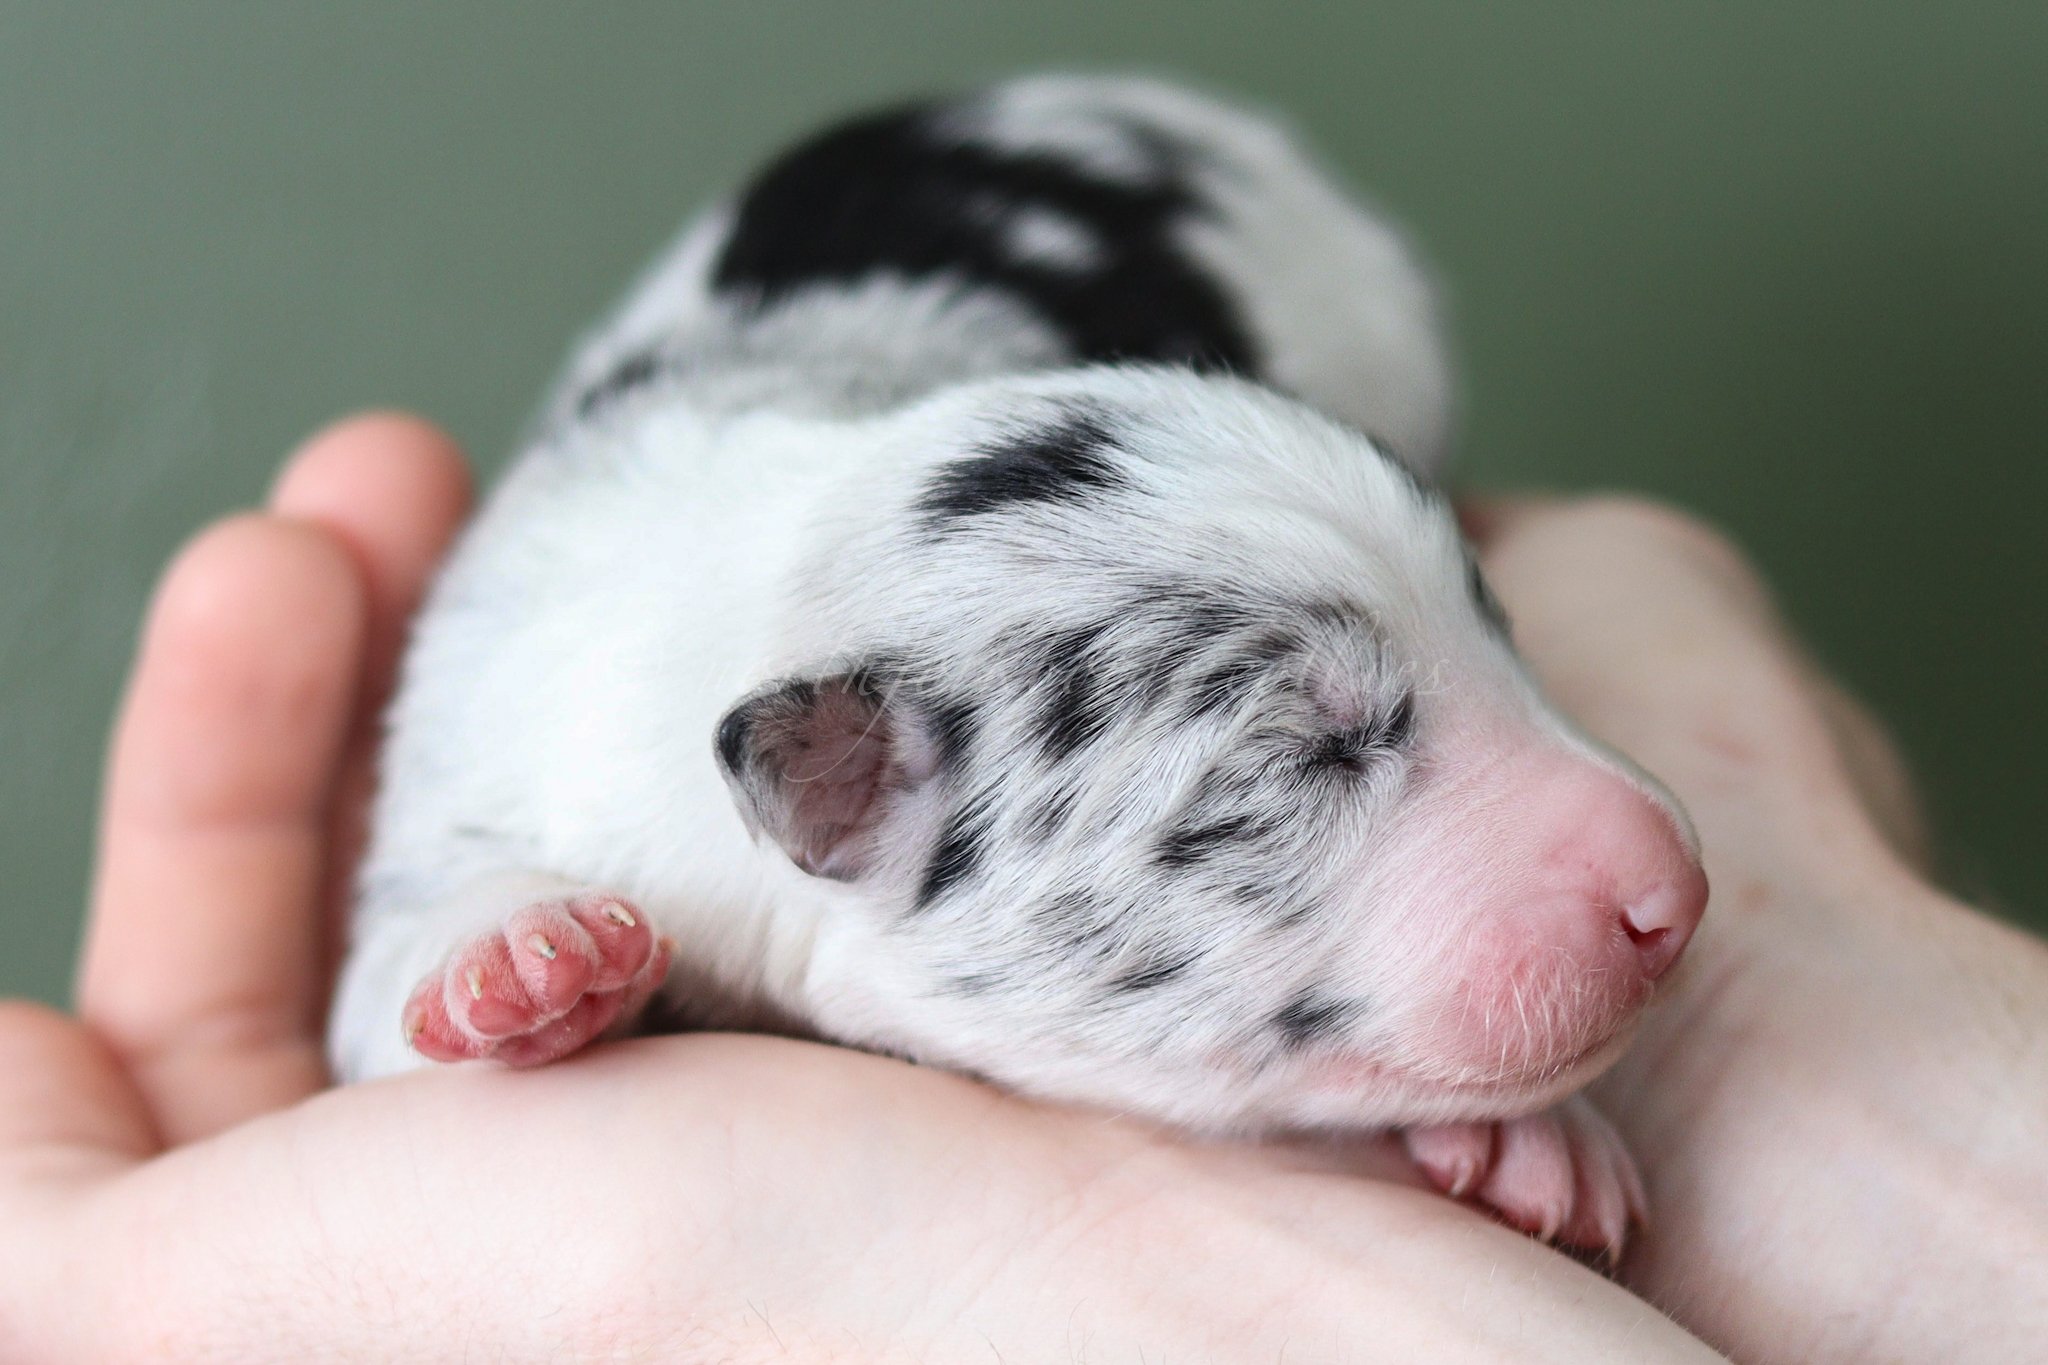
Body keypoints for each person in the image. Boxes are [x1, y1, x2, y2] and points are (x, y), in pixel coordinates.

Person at [0, 413, 2039, 1362]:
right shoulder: (595, 747)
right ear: (848, 797)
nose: (1657, 854)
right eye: (1318, 757)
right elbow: (396, 999)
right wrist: (465, 957)